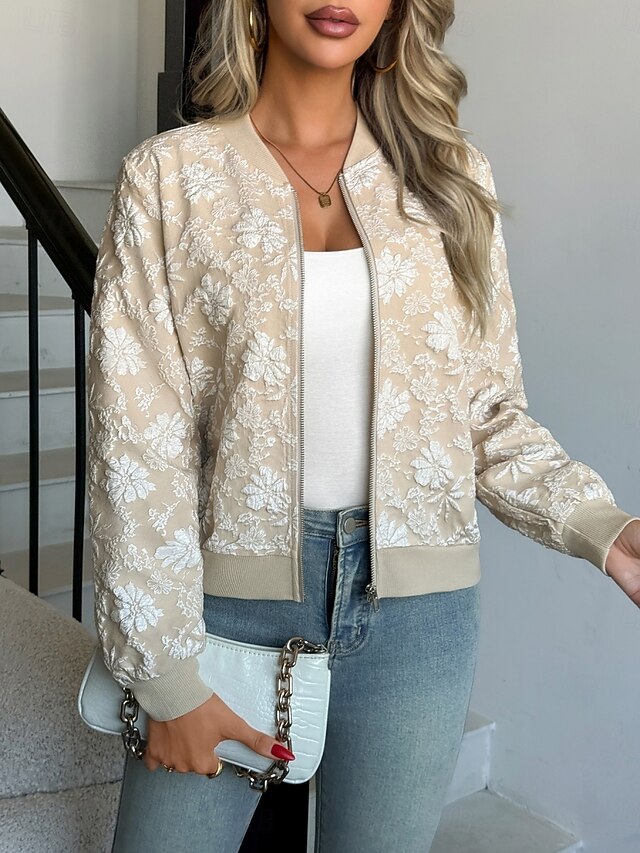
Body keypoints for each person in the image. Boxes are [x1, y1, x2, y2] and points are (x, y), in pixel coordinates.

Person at [86, 1, 640, 851]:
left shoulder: (451, 178)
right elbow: (138, 444)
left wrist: (603, 524)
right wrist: (162, 675)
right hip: (221, 612)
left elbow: (487, 415)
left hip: (418, 624)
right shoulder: (170, 178)